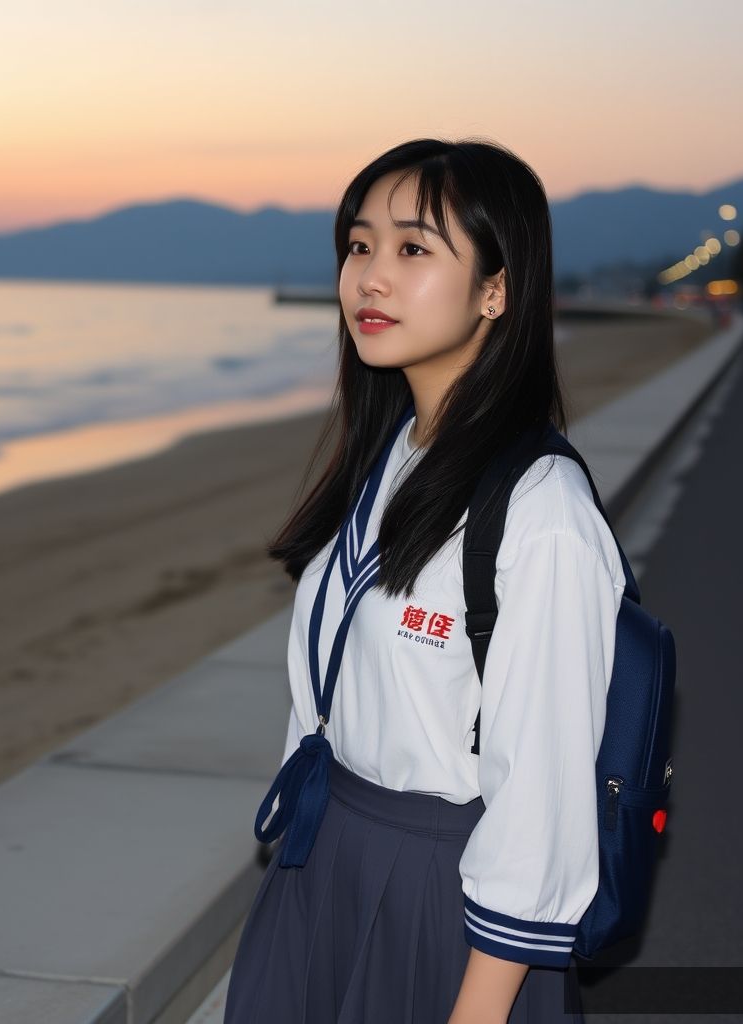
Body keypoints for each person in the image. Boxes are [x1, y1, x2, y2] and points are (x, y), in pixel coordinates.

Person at [222, 138, 626, 1024]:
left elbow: (541, 803)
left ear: (497, 290)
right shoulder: (392, 454)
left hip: (446, 902)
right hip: (320, 861)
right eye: (359, 245)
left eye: (413, 249)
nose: (370, 276)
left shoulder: (543, 513)